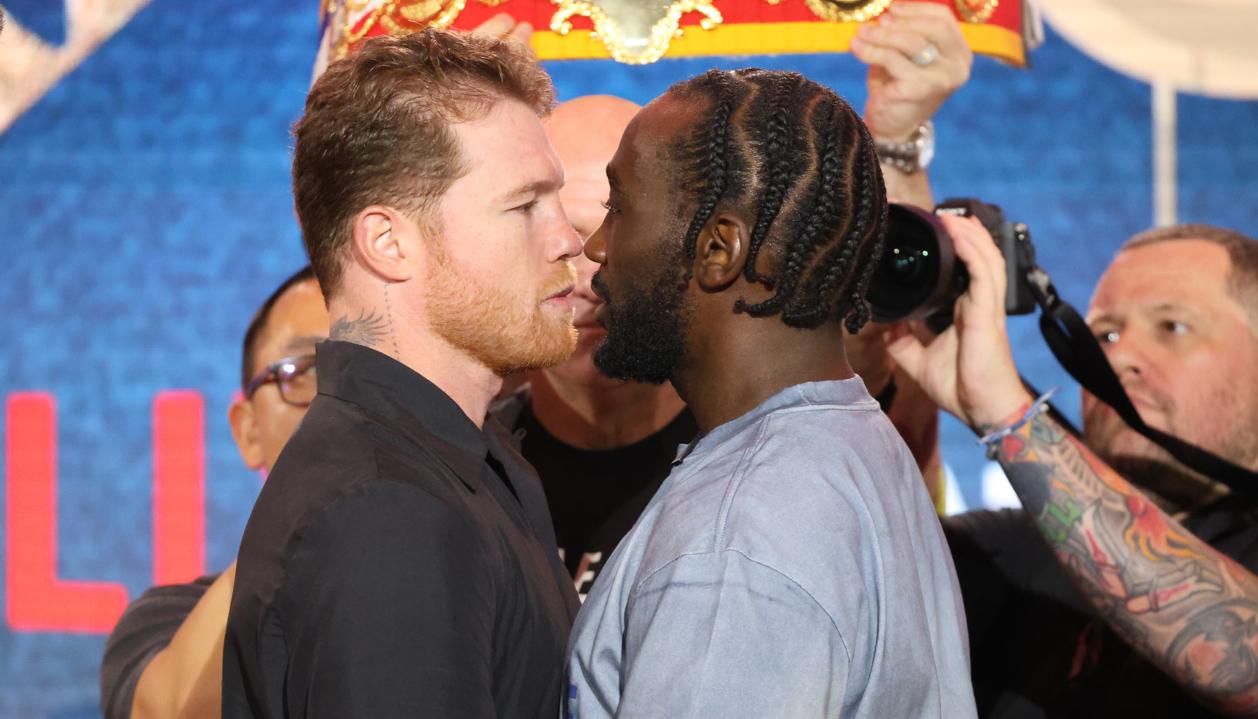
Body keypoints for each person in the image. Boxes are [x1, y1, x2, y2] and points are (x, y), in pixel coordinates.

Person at [565, 68, 975, 718]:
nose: (595, 247)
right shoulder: (847, 439)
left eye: (619, 208)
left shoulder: (735, 543)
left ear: (719, 248)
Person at [222, 28, 582, 718]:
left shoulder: (468, 460)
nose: (567, 238)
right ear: (388, 243)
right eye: (524, 205)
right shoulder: (386, 509)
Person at [888, 221, 1258, 716]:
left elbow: (1241, 665)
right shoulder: (1006, 551)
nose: (1119, 355)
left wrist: (1010, 417)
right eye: (1103, 333)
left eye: (1172, 326)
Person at [100, 267, 325, 719]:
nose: (341, 396)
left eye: (373, 370)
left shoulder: (488, 583)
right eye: (305, 371)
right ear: (248, 431)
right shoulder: (172, 619)